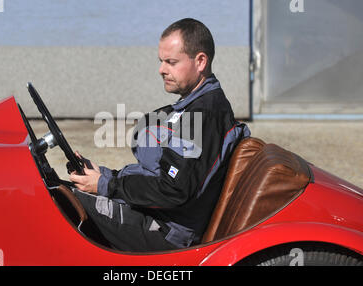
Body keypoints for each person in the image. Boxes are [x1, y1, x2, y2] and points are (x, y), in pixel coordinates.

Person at [69, 18, 250, 252]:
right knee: (61, 190)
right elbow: (160, 175)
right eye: (161, 61)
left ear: (201, 61)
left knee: (60, 205)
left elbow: (172, 189)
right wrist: (104, 175)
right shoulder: (194, 106)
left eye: (171, 62)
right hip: (157, 216)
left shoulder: (202, 114)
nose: (161, 69)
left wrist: (107, 186)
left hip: (165, 231)